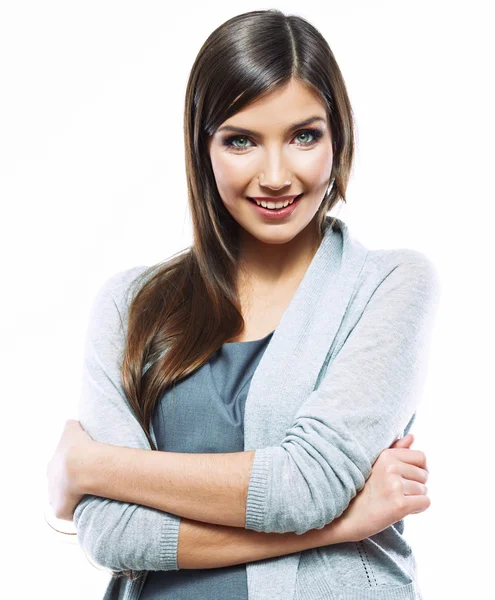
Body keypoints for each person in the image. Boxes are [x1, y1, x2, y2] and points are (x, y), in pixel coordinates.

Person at [46, 9, 440, 600]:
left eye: (304, 135)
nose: (276, 175)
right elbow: (111, 533)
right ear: (203, 147)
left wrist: (91, 467)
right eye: (241, 140)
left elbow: (305, 486)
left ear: (340, 136)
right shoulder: (130, 304)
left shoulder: (389, 284)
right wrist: (342, 523)